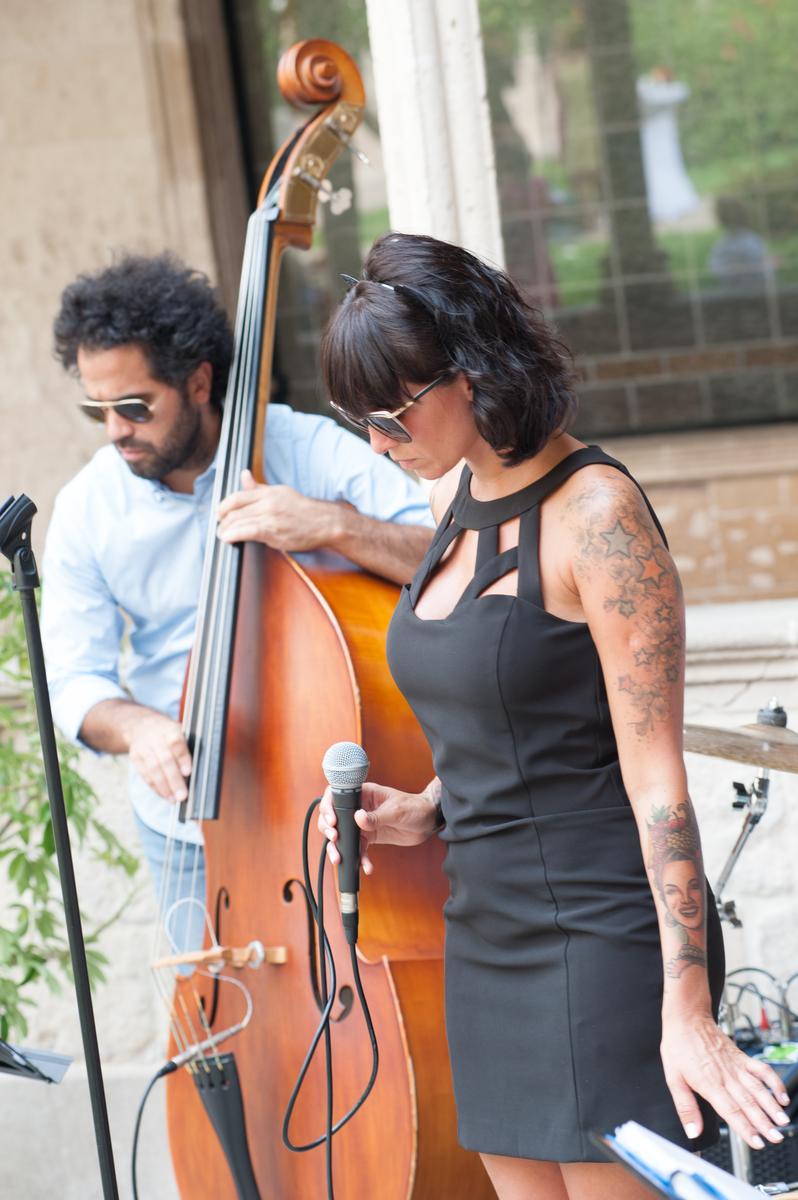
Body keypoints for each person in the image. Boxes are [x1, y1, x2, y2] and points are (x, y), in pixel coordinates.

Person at [317, 233, 790, 1199]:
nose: (377, 444)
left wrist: (689, 1006)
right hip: (484, 935)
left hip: (603, 939)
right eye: (355, 419)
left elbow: (657, 780)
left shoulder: (598, 515)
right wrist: (429, 808)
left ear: (474, 373)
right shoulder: (454, 494)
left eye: (392, 415)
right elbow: (525, 706)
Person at [40, 253, 434, 928]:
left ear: (198, 382)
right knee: (214, 1021)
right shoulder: (87, 508)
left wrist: (332, 525)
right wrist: (138, 728)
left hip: (323, 800)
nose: (115, 432)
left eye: (134, 407)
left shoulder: (302, 447)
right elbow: (74, 682)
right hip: (185, 824)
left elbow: (445, 554)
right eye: (98, 409)